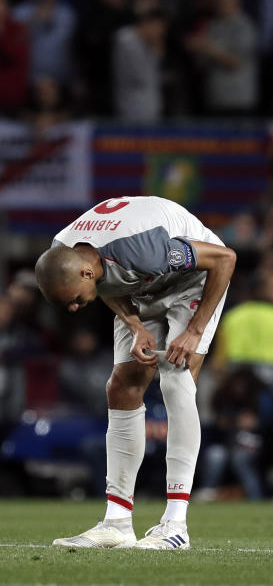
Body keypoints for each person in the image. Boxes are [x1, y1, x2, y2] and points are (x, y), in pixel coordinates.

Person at [34, 196, 236, 550]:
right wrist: (134, 323)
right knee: (122, 387)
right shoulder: (66, 253)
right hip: (142, 286)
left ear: (83, 273)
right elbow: (104, 282)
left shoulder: (143, 249)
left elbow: (225, 259)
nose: (73, 308)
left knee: (176, 377)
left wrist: (194, 330)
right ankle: (117, 522)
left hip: (192, 280)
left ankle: (175, 525)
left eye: (74, 299)